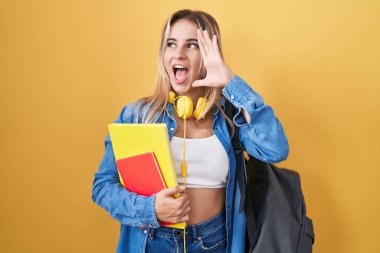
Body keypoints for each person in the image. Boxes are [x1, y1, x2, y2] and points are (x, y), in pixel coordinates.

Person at [92, 9, 289, 253]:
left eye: (192, 45)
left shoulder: (229, 118)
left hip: (215, 240)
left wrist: (230, 83)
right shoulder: (137, 115)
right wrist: (150, 209)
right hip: (152, 241)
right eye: (171, 44)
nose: (179, 53)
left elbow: (276, 149)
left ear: (209, 56)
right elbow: (102, 186)